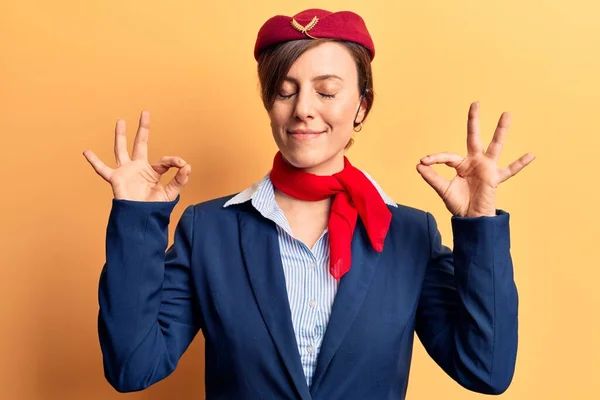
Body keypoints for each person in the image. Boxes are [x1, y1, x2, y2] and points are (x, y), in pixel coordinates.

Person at [83, 8, 535, 400]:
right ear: (270, 104)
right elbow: (133, 367)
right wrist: (137, 221)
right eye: (285, 90)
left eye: (327, 90)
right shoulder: (208, 230)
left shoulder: (409, 234)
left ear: (361, 105)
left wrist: (480, 226)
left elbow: (486, 370)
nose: (303, 108)